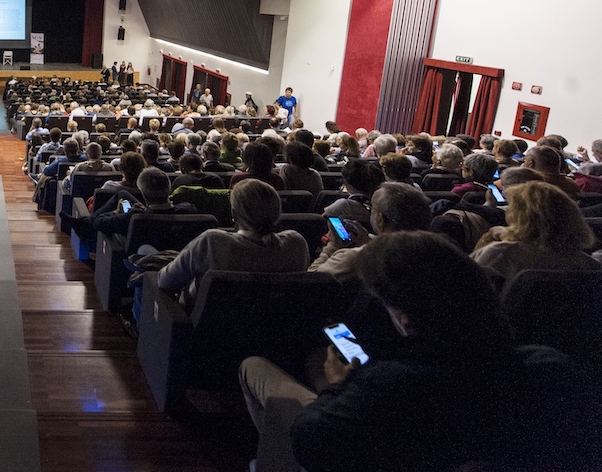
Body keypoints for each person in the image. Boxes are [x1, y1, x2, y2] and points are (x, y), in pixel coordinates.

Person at [241, 231, 601, 472]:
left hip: (344, 438)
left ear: (405, 317)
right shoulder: (551, 366)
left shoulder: (388, 384)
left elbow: (311, 441)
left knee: (254, 366)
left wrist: (338, 385)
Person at [157, 179, 309, 305]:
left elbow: (165, 281)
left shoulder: (213, 242)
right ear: (277, 211)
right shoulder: (297, 244)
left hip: (207, 332)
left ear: (234, 213)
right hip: (276, 333)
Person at [471, 181, 600, 283]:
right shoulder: (591, 265)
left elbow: (466, 284)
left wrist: (485, 240)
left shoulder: (501, 254)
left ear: (521, 217)